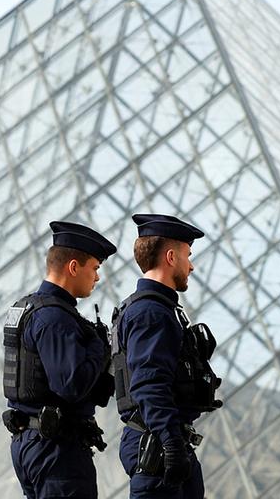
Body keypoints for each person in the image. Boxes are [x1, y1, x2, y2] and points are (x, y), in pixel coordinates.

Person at [3, 221, 118, 499]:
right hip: (57, 449)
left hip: (31, 441)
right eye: (95, 268)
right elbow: (71, 385)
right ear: (74, 267)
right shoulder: (56, 318)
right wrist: (99, 347)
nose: (97, 277)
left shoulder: (26, 307)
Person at [112, 214, 223, 499]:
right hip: (158, 445)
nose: (192, 265)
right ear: (171, 257)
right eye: (188, 255)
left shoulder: (154, 309)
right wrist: (171, 443)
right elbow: (150, 385)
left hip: (162, 440)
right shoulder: (151, 313)